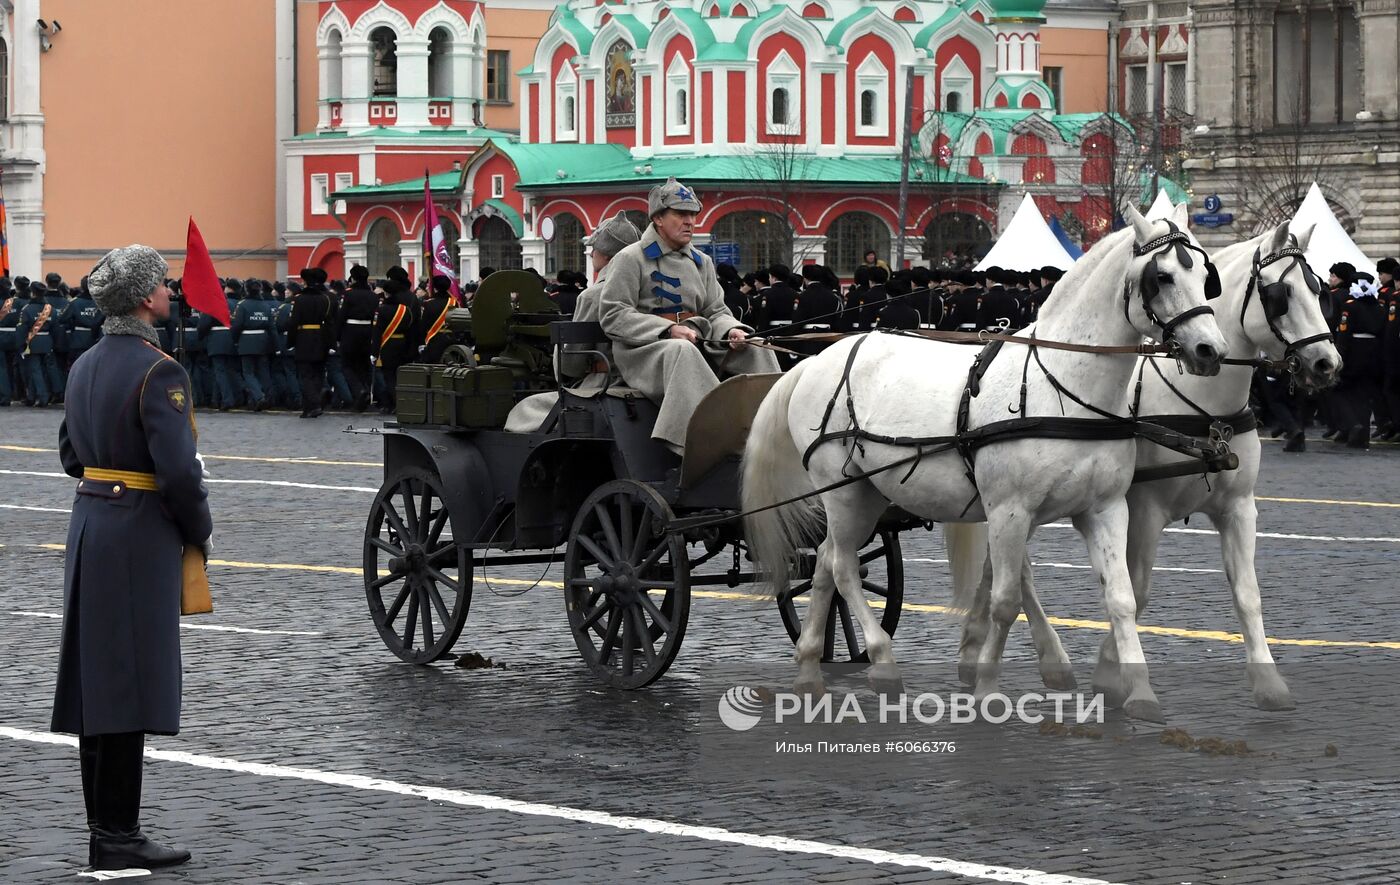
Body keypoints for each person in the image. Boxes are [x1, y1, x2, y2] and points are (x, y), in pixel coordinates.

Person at [52, 244, 211, 872]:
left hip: (90, 525)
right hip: (137, 533)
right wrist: (198, 527)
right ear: (145, 299)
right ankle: (117, 835)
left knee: (99, 681)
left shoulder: (84, 363)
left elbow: (71, 457)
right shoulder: (159, 370)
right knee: (128, 679)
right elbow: (177, 472)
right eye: (164, 285)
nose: (171, 292)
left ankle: (106, 829)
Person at [596, 177, 780, 454]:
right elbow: (614, 314)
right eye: (681, 214)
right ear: (658, 218)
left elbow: (716, 310)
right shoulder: (630, 258)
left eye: (693, 215)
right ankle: (710, 439)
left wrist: (731, 330)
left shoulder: (701, 261)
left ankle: (775, 430)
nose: (690, 222)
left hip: (697, 341)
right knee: (681, 351)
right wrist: (667, 330)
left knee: (758, 347)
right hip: (644, 351)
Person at [504, 211, 642, 433]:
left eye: (594, 248)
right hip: (643, 382)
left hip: (603, 385)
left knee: (524, 409)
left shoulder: (594, 295)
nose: (591, 253)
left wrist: (560, 350)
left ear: (606, 255)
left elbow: (572, 366)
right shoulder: (645, 291)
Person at [1333, 272, 1385, 449]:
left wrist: (1339, 357)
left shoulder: (1350, 306)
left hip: (1354, 353)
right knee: (1365, 396)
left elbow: (1344, 334)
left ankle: (1353, 423)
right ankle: (1363, 436)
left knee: (1341, 391)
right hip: (1374, 354)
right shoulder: (1378, 307)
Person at [288, 268, 336, 418]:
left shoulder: (300, 299)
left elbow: (294, 322)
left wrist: (290, 341)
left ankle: (314, 404)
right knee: (318, 373)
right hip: (321, 338)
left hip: (304, 338)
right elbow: (329, 323)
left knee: (306, 375)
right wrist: (331, 344)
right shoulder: (325, 299)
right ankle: (310, 407)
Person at [371, 266, 419, 414]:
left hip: (388, 344)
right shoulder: (412, 298)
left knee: (388, 375)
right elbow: (414, 324)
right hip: (406, 342)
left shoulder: (386, 305)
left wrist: (374, 350)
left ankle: (389, 402)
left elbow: (378, 329)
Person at [337, 265, 378, 411]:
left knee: (347, 365)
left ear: (353, 278)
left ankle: (359, 390)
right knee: (363, 364)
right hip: (367, 331)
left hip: (350, 331)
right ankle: (364, 392)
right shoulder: (373, 296)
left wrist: (338, 335)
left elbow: (342, 316)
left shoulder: (349, 295)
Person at [231, 279, 274, 411]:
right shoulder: (265, 305)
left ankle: (259, 396)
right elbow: (272, 327)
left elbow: (237, 325)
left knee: (248, 373)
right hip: (263, 341)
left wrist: (235, 340)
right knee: (263, 371)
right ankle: (269, 397)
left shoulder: (243, 305)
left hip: (247, 341)